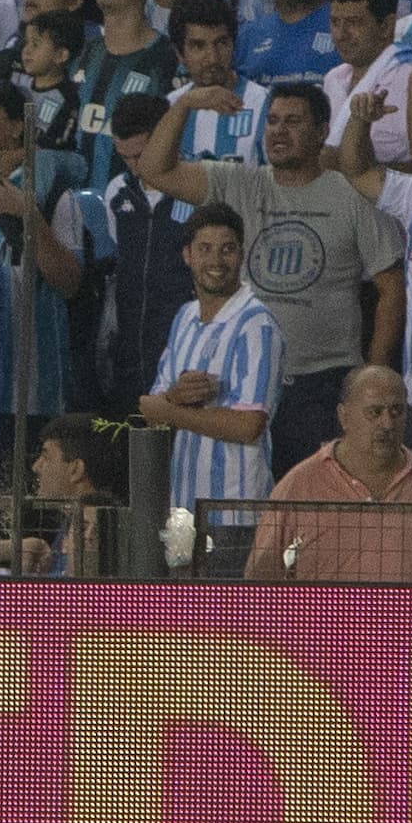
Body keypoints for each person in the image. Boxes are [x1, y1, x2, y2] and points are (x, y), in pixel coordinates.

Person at [129, 76, 400, 474]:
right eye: (272, 121)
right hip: (243, 381)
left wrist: (370, 377)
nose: (278, 131)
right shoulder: (239, 182)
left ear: (323, 132)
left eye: (293, 122)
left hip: (323, 381)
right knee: (250, 493)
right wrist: (186, 104)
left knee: (318, 508)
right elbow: (155, 169)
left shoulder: (349, 194)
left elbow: (391, 289)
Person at [140, 199, 281, 570]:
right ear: (187, 255)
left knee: (226, 623)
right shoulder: (184, 316)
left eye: (227, 249)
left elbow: (249, 425)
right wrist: (172, 398)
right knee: (181, 623)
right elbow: (151, 406)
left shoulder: (256, 324)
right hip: (183, 511)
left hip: (234, 513)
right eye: (205, 249)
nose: (216, 261)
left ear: (241, 255)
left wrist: (170, 410)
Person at [246, 361, 412, 582]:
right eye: (374, 412)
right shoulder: (300, 483)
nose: (387, 423)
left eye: (396, 411)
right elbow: (259, 577)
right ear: (344, 416)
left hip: (410, 616)